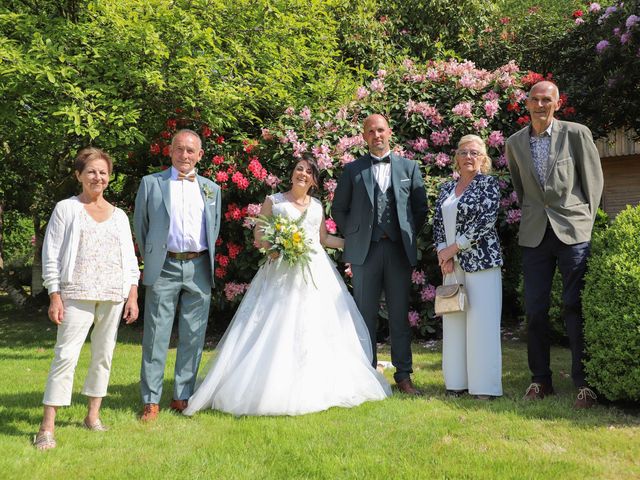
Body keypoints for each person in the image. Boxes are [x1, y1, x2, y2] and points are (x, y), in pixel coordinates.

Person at [183, 154, 390, 417]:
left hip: (315, 274)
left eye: (308, 172)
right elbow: (259, 233)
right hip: (280, 270)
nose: (302, 174)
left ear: (314, 180)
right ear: (292, 173)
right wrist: (273, 247)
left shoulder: (316, 206)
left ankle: (316, 383)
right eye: (298, 169)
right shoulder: (274, 201)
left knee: (317, 327)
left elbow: (323, 239)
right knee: (274, 325)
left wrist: (357, 243)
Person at [505, 81, 604, 409]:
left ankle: (584, 384)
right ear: (527, 103)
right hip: (535, 235)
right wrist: (535, 216)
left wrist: (585, 224)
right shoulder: (514, 143)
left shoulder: (576, 134)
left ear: (557, 104)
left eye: (547, 99)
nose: (540, 104)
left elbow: (593, 182)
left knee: (574, 305)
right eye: (535, 99)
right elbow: (522, 189)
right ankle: (540, 380)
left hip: (573, 233)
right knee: (535, 310)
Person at [35, 147, 140, 450]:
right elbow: (51, 255)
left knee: (103, 356)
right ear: (79, 175)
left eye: (103, 172)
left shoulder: (119, 216)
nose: (98, 177)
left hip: (112, 295)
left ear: (109, 177)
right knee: (65, 356)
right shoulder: (66, 209)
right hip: (75, 294)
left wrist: (132, 294)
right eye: (91, 171)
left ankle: (92, 416)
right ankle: (47, 426)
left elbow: (130, 260)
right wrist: (54, 295)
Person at [332, 114, 428, 395]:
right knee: (365, 315)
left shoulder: (409, 167)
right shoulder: (353, 170)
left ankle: (404, 375)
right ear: (364, 136)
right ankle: (366, 373)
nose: (377, 135)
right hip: (366, 252)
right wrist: (357, 232)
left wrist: (406, 233)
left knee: (399, 315)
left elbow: (420, 209)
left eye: (381, 130)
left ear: (390, 132)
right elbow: (339, 208)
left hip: (398, 251)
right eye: (371, 131)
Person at [134, 129, 221, 421]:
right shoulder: (151, 184)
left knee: (194, 335)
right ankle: (151, 400)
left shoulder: (212, 189)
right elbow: (141, 227)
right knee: (156, 334)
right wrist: (154, 259)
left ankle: (182, 396)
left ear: (200, 155)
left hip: (199, 266)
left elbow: (214, 227)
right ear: (171, 152)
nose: (185, 155)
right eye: (179, 149)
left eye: (190, 150)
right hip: (165, 265)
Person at [433, 135, 503, 400]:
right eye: (464, 152)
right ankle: (456, 383)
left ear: (483, 158)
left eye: (475, 153)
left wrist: (455, 247)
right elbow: (438, 222)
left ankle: (484, 387)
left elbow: (486, 221)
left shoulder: (488, 184)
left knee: (481, 323)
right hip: (452, 265)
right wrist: (443, 252)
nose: (469, 157)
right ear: (457, 158)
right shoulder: (446, 189)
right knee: (454, 320)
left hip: (482, 262)